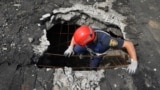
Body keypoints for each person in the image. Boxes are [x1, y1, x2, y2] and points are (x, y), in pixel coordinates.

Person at [64, 25, 138, 74]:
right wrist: (70, 47)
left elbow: (129, 44)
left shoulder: (106, 41)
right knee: (75, 49)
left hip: (97, 53)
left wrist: (134, 61)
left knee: (93, 67)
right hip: (88, 46)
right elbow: (76, 36)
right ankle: (79, 54)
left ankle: (92, 70)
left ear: (89, 41)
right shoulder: (85, 32)